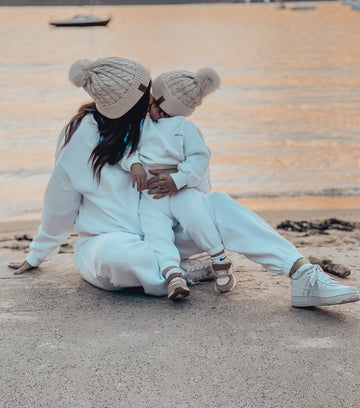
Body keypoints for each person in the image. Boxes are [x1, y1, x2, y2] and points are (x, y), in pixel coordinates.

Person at [8, 56, 360, 309]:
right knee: (116, 257)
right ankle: (190, 270)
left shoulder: (163, 127)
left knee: (218, 203)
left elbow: (199, 189)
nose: (153, 100)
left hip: (170, 230)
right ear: (125, 106)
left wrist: (175, 181)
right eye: (145, 95)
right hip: (112, 241)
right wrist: (37, 255)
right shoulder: (79, 139)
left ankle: (303, 275)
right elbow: (59, 206)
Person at [121, 67, 236, 300]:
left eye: (153, 100)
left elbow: (199, 157)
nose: (148, 105)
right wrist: (134, 165)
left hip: (181, 190)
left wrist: (179, 178)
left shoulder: (185, 127)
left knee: (197, 217)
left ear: (163, 104)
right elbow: (127, 148)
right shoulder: (143, 126)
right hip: (152, 195)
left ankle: (219, 259)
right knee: (155, 232)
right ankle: (173, 273)